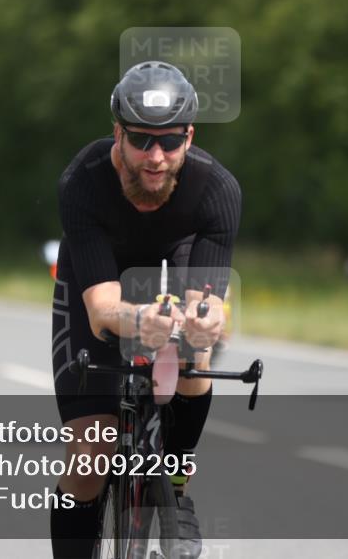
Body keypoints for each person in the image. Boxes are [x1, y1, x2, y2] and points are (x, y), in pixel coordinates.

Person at [50, 61, 240, 559]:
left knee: (197, 348)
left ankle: (175, 486)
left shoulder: (217, 190)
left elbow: (208, 299)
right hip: (98, 277)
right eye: (141, 141)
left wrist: (206, 320)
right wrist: (140, 322)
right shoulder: (83, 182)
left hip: (175, 255)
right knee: (91, 453)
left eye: (171, 142)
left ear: (189, 137)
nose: (156, 157)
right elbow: (102, 309)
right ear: (117, 133)